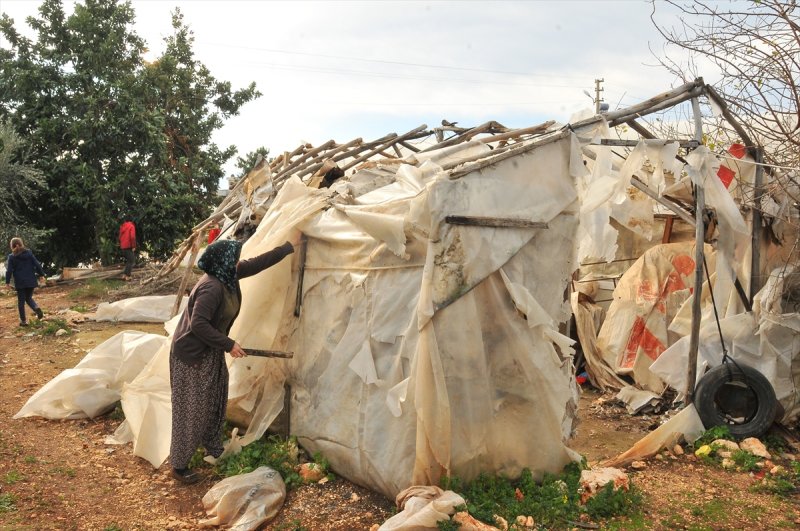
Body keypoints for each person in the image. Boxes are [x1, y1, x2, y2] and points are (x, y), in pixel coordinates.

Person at [168, 237, 296, 484]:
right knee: (192, 408)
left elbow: (256, 263)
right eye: (234, 258)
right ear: (223, 262)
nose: (238, 262)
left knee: (215, 398)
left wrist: (287, 248)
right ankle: (179, 464)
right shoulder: (212, 287)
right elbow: (198, 324)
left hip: (208, 350)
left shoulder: (228, 274)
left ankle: (212, 446)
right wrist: (229, 344)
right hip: (192, 355)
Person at [5, 237, 46, 327]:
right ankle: (36, 308)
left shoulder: (11, 256)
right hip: (31, 280)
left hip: (20, 282)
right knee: (28, 298)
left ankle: (23, 321)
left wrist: (7, 282)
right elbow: (37, 264)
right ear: (21, 243)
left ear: (12, 246)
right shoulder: (29, 253)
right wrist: (41, 275)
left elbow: (9, 270)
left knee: (21, 302)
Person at [119, 216, 137, 281]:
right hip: (128, 246)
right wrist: (133, 246)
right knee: (132, 261)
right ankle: (128, 276)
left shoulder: (123, 226)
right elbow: (132, 237)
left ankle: (124, 275)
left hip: (123, 247)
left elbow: (120, 237)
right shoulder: (131, 226)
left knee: (129, 261)